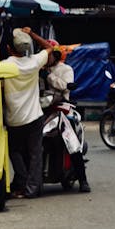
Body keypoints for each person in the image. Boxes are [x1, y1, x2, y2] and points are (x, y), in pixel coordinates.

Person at [1, 27, 54, 199]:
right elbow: (49, 47)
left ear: (9, 48)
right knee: (35, 154)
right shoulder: (34, 62)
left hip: (14, 119)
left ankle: (22, 179)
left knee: (14, 151)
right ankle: (32, 189)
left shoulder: (4, 66)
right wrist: (31, 34)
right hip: (34, 117)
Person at [44, 47, 90, 193]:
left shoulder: (65, 69)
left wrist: (49, 76)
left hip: (61, 107)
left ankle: (83, 180)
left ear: (56, 56)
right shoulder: (37, 69)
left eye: (49, 56)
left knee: (70, 140)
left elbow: (65, 86)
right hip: (42, 108)